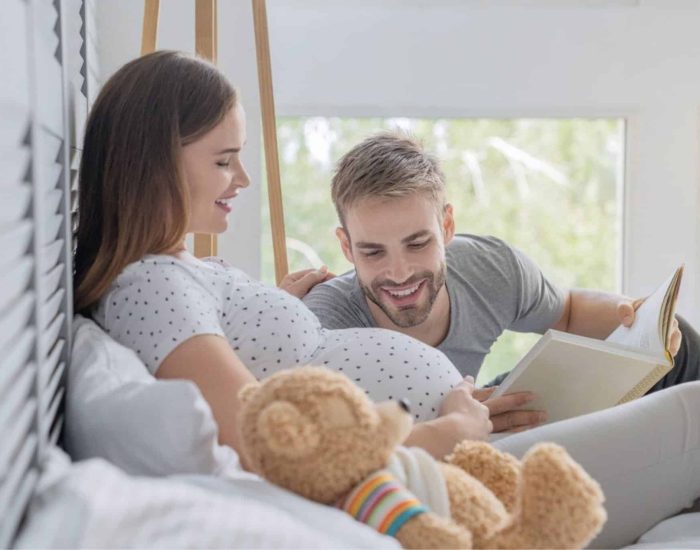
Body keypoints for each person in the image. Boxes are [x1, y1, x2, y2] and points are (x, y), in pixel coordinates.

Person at [74, 51, 700, 548]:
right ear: (157, 162)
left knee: (682, 356)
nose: (240, 179)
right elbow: (276, 450)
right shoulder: (151, 285)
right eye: (225, 160)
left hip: (465, 444)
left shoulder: (181, 272)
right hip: (443, 467)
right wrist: (453, 429)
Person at [303, 132, 700, 433]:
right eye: (373, 252)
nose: (400, 272)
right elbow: (327, 446)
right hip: (423, 444)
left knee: (677, 340)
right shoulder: (323, 323)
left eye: (418, 243)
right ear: (346, 247)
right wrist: (453, 425)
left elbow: (569, 311)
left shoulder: (488, 266)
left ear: (446, 226)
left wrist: (639, 318)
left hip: (484, 413)